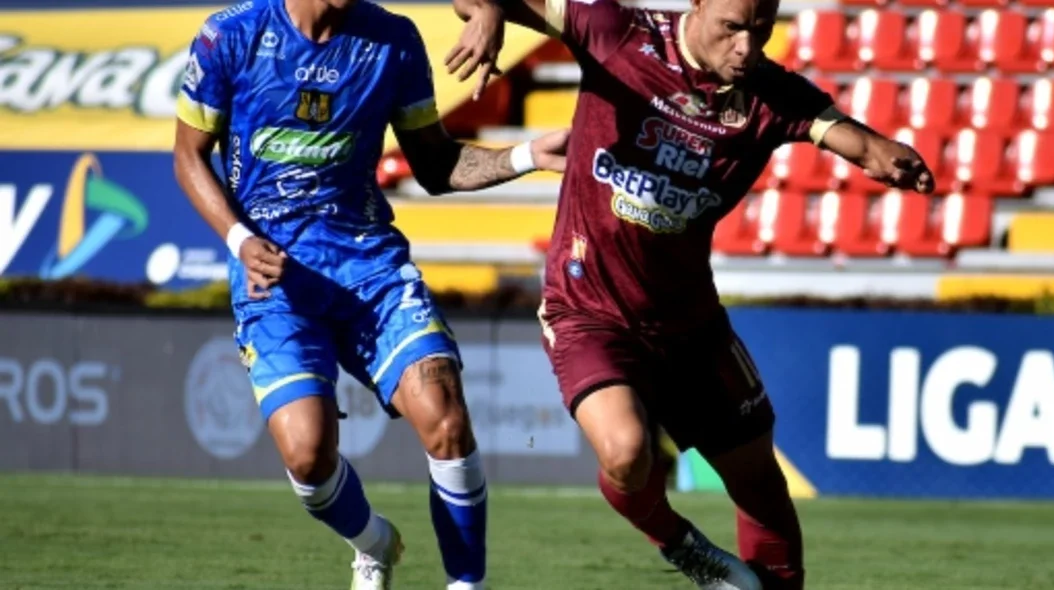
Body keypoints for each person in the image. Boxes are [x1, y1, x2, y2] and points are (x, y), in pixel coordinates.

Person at [445, 0, 935, 588]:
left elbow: (848, 137)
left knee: (757, 481)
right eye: (732, 28)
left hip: (691, 325)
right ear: (698, 7)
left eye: (760, 31)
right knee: (626, 452)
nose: (746, 48)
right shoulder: (614, 29)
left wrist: (885, 155)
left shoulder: (772, 93)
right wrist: (491, 14)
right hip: (589, 309)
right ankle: (686, 548)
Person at [172, 1, 567, 588]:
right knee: (307, 456)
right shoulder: (230, 36)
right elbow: (188, 155)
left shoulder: (393, 40)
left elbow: (436, 165)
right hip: (276, 279)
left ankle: (467, 584)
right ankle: (374, 542)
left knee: (445, 416)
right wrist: (238, 239)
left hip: (370, 270)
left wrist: (524, 155)